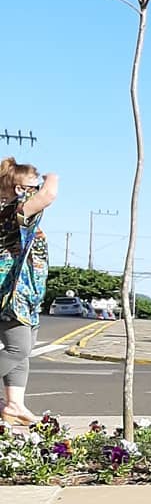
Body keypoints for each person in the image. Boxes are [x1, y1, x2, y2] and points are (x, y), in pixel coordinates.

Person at [0, 158, 58, 426]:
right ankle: (14, 404)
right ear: (19, 188)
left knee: (24, 351)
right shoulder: (17, 211)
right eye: (31, 185)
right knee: (18, 348)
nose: (36, 189)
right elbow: (49, 194)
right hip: (12, 293)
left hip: (27, 294)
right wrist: (51, 176)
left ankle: (14, 404)